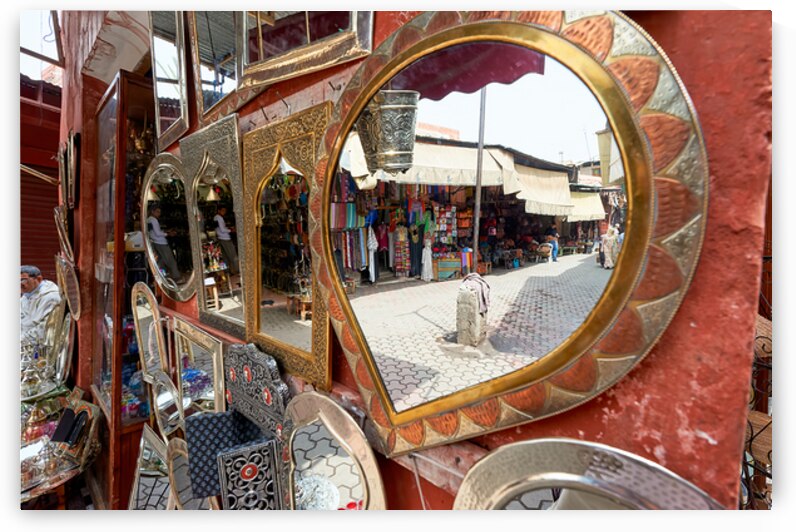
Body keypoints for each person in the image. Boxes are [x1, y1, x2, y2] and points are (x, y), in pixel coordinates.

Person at [20, 265, 62, 345]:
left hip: (42, 347)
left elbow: (46, 328)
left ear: (38, 279)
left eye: (23, 280)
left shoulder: (51, 297)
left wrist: (21, 340)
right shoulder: (26, 295)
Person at [146, 205, 182, 281]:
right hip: (161, 242)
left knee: (161, 261)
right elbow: (158, 233)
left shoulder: (148, 220)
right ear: (152, 211)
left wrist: (166, 231)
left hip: (155, 242)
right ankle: (176, 276)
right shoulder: (154, 220)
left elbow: (153, 232)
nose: (159, 214)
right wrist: (168, 234)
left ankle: (162, 276)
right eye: (157, 212)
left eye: (159, 212)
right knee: (170, 260)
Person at [214, 206, 239, 275]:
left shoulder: (216, 217)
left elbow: (220, 228)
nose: (224, 212)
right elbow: (223, 229)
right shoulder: (219, 218)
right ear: (219, 210)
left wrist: (228, 228)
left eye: (225, 211)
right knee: (233, 256)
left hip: (221, 238)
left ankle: (227, 271)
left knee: (225, 257)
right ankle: (238, 271)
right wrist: (231, 230)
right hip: (225, 239)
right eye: (223, 210)